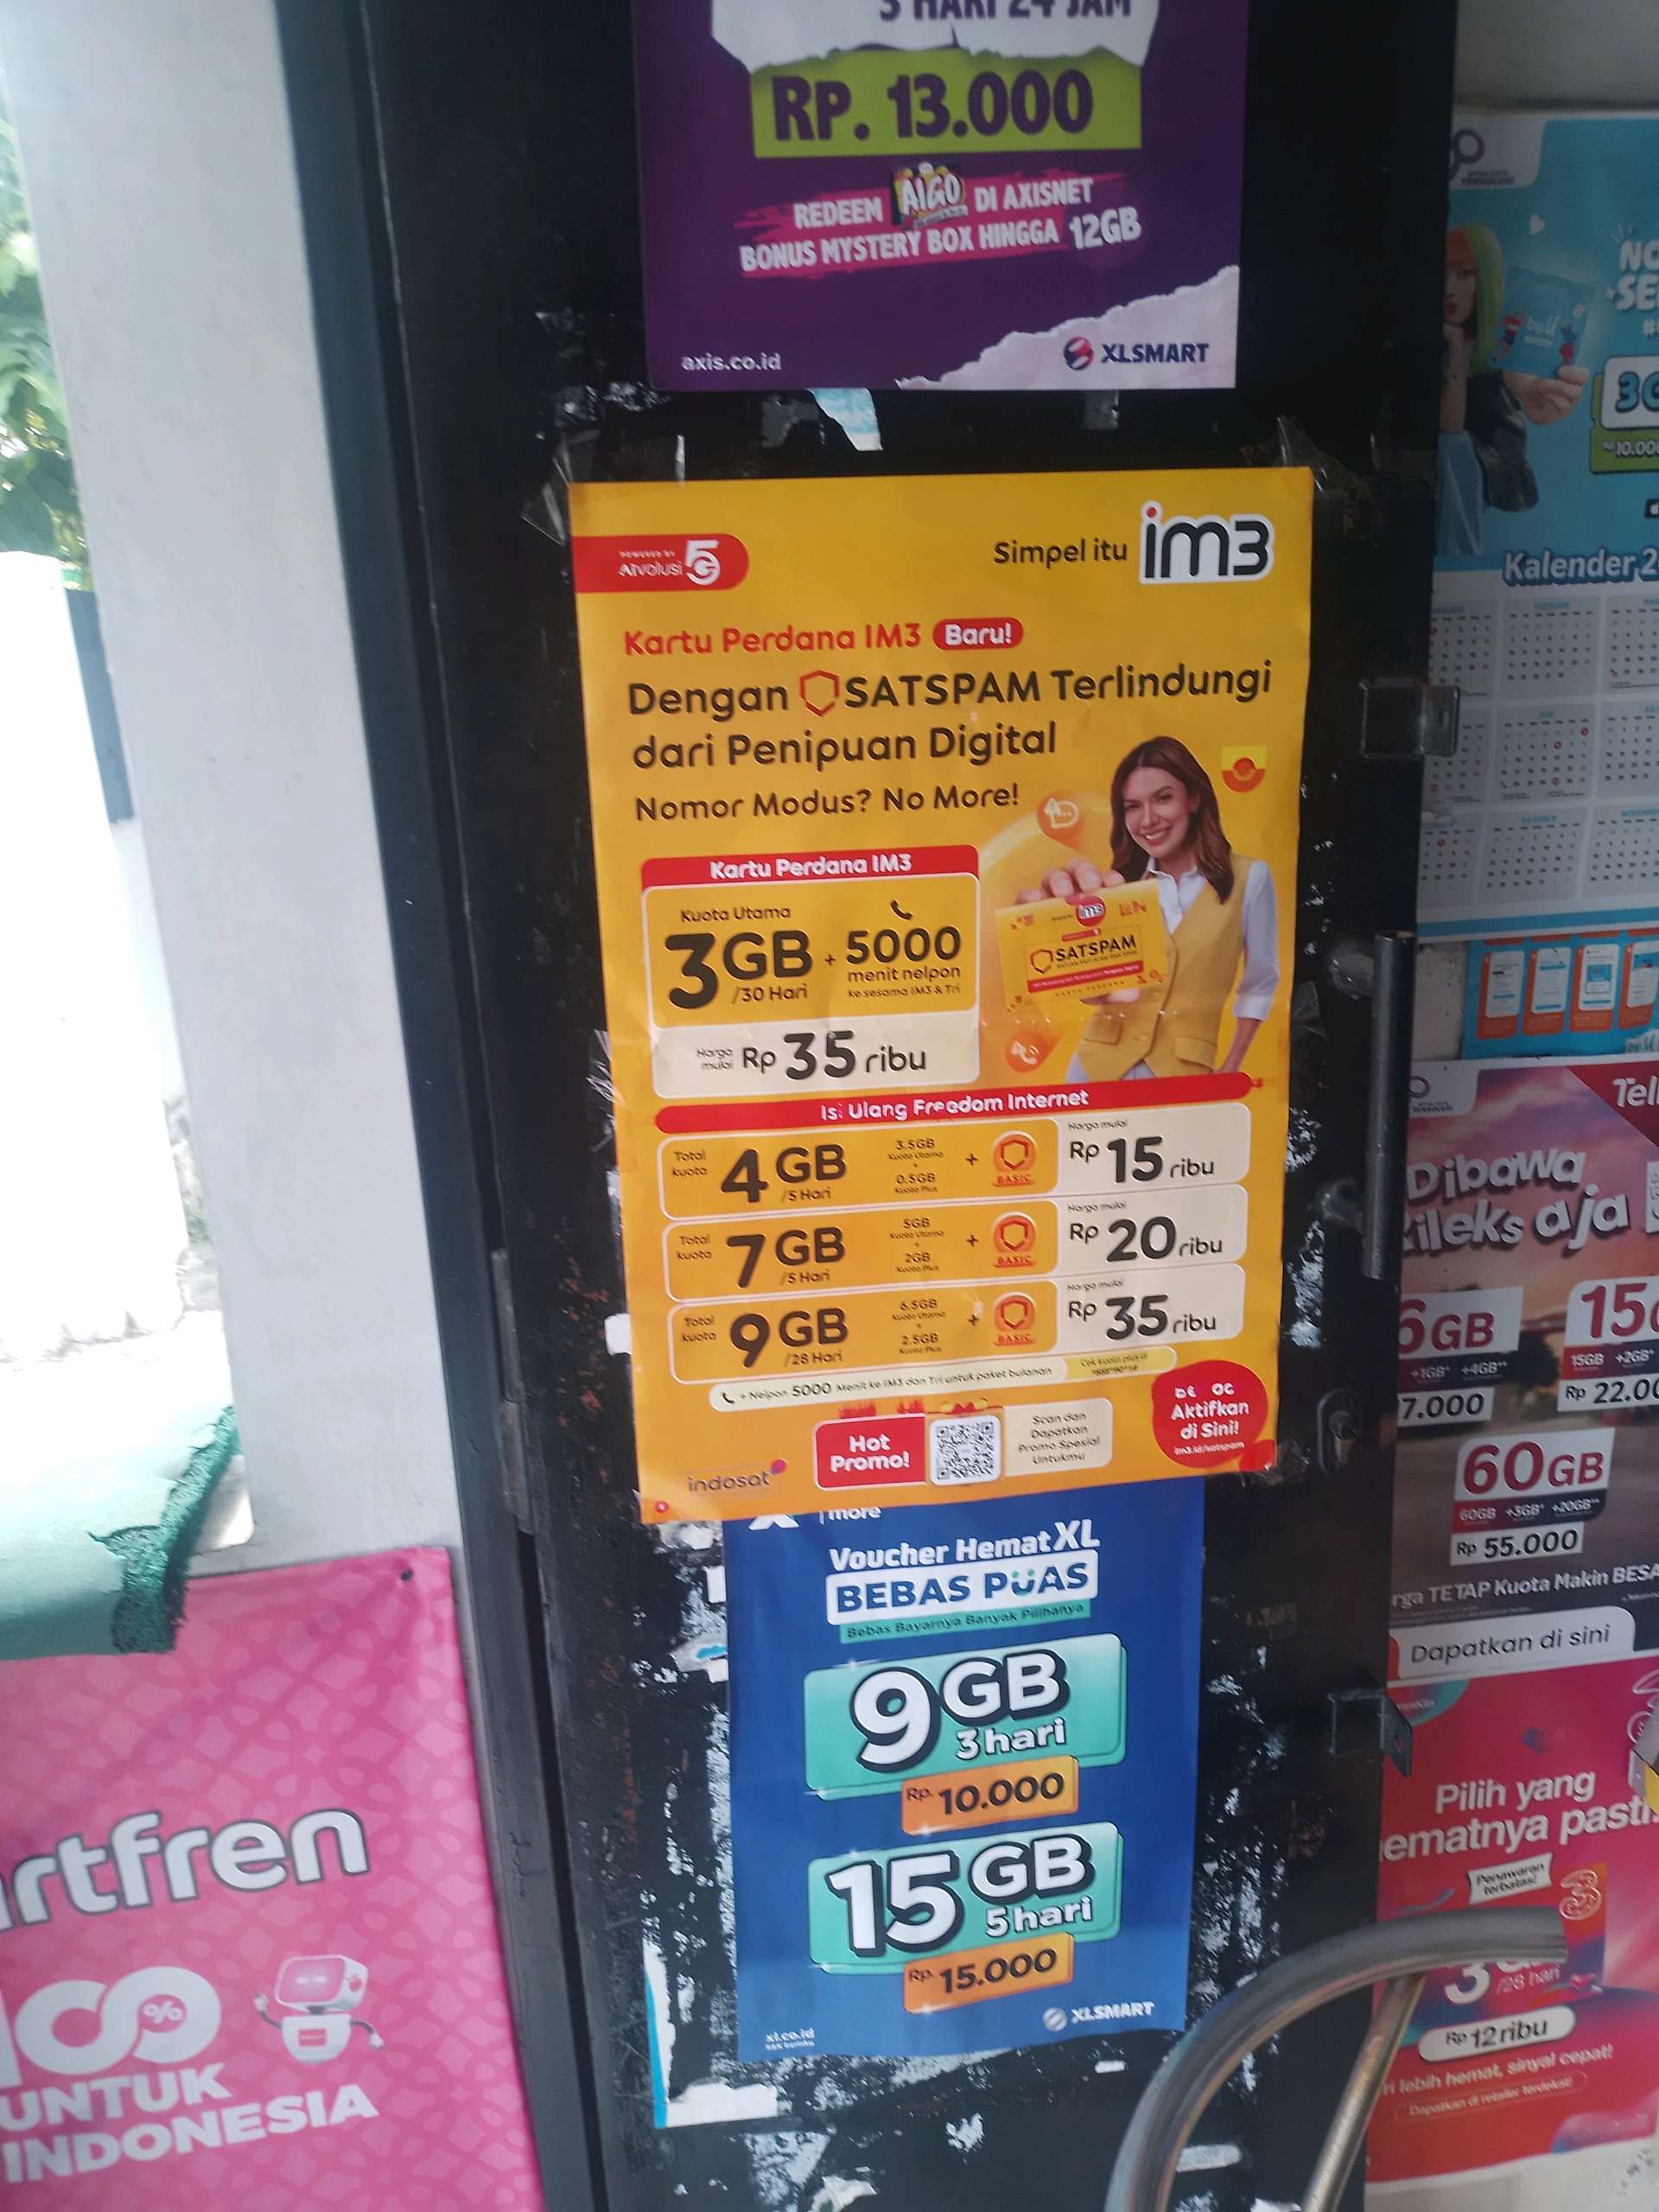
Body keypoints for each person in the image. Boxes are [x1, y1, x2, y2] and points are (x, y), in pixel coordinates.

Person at [1017, 736, 1277, 1082]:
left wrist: (1231, 1067)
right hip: (1095, 1068)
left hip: (1184, 1073)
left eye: (1163, 798)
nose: (1148, 819)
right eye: (1132, 807)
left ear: (1194, 798)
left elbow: (1260, 983)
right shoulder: (1118, 886)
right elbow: (1092, 989)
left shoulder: (1250, 877)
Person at [1440, 224, 1587, 551]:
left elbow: (1519, 382)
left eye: (1464, 274)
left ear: (1485, 279)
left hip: (1489, 471)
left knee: (1454, 446)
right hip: (1429, 476)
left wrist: (1539, 390)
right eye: (1444, 273)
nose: (1449, 288)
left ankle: (1458, 565)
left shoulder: (1502, 344)